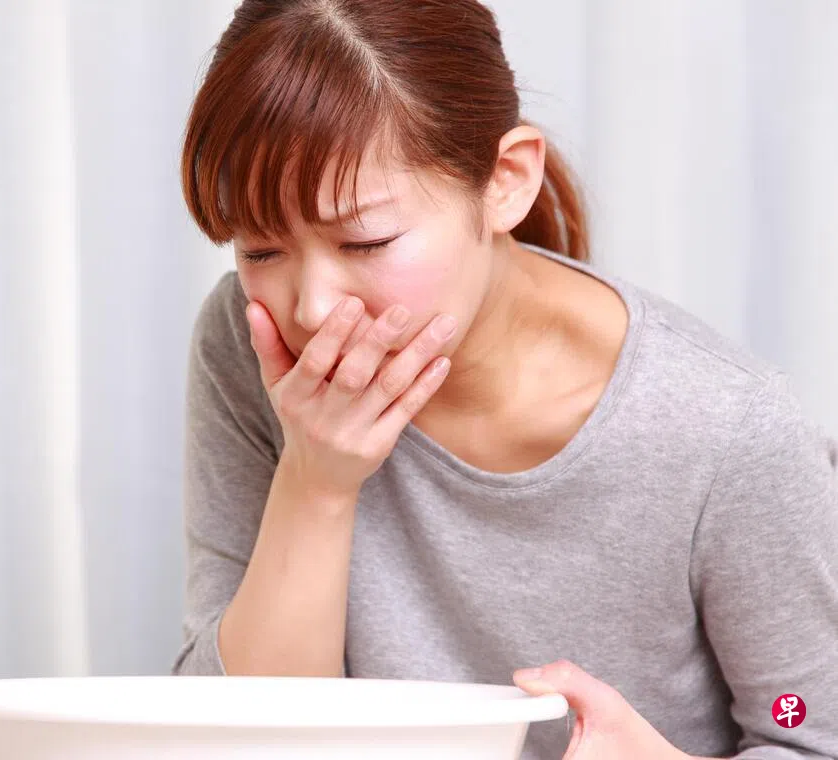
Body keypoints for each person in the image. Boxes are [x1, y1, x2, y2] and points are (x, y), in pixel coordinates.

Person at [171, 1, 838, 758]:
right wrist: (316, 482)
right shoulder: (252, 346)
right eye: (260, 251)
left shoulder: (729, 430)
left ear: (507, 182)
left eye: (365, 241)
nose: (313, 309)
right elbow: (228, 737)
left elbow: (808, 728)